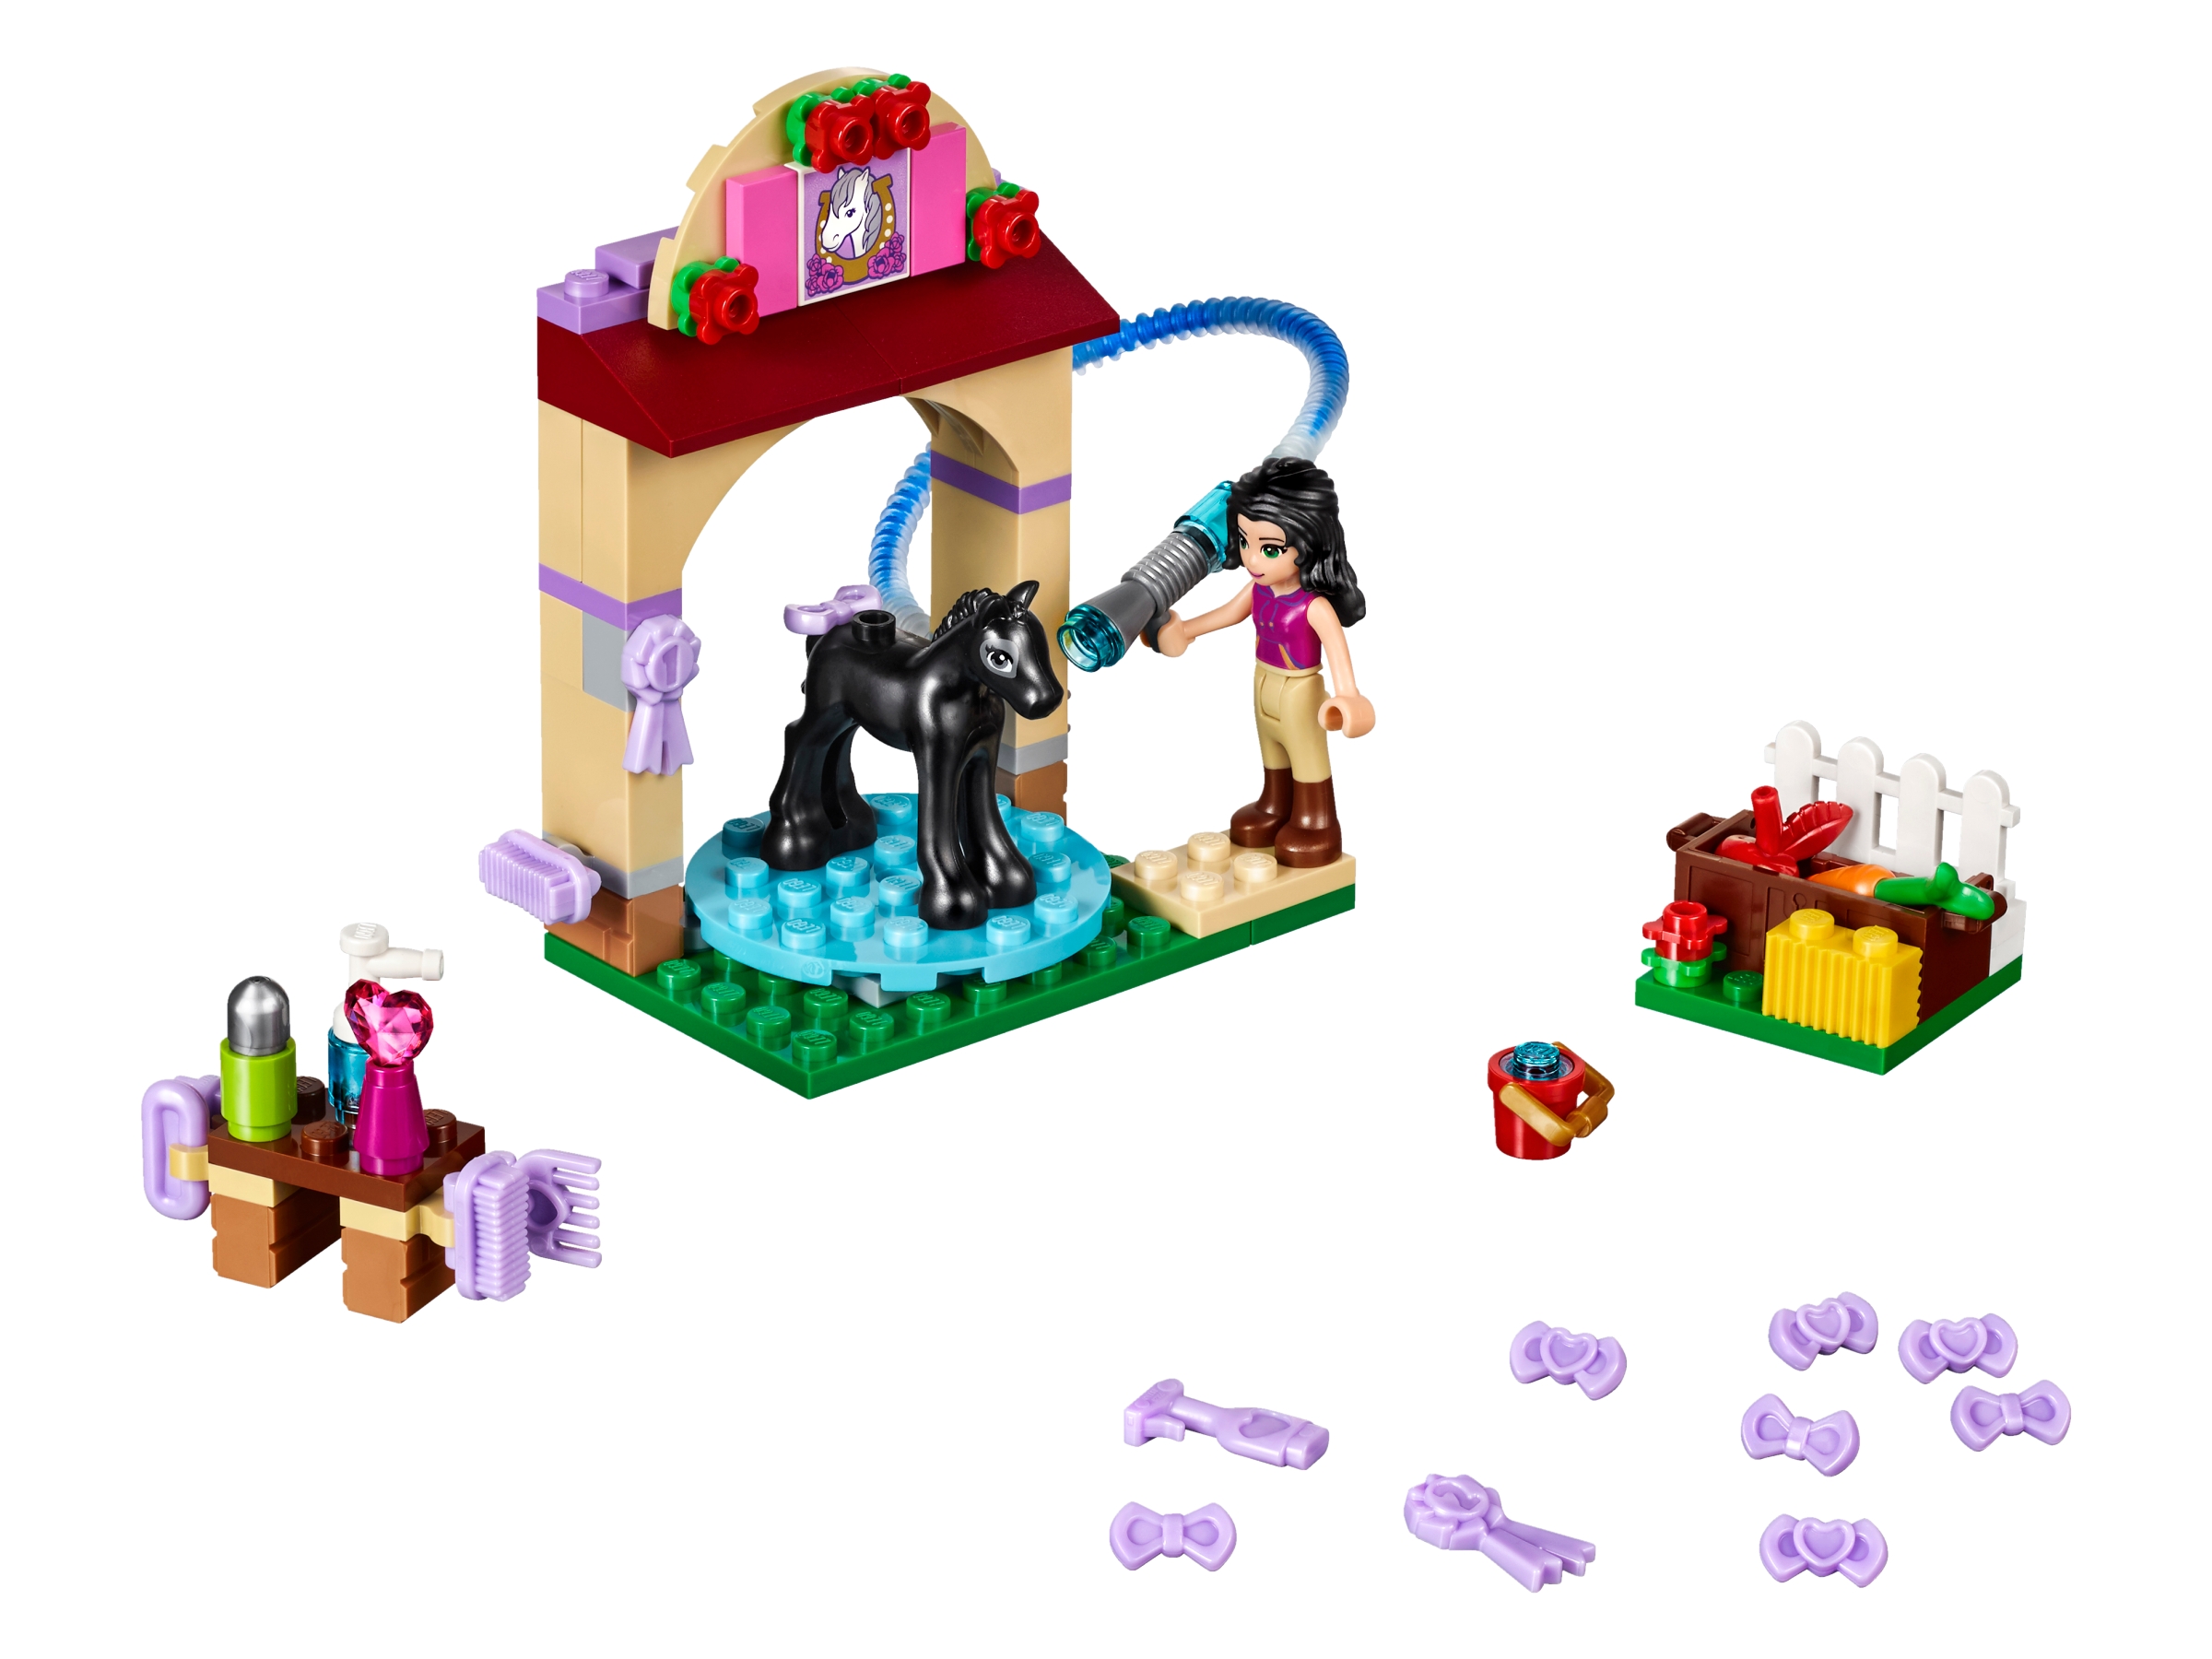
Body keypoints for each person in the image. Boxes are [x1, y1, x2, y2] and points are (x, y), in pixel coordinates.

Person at [1150, 457, 1373, 865]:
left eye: (1270, 549)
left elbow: (1337, 651)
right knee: (1272, 748)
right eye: (1244, 541)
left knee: (1306, 752)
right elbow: (1228, 614)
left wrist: (1348, 696)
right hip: (1263, 680)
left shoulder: (1314, 606)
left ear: (1308, 544)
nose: (1252, 560)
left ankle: (1317, 821)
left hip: (1300, 689)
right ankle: (1275, 805)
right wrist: (1185, 631)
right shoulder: (1258, 590)